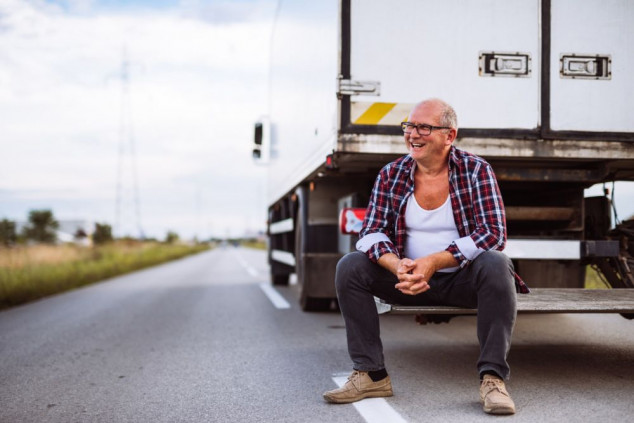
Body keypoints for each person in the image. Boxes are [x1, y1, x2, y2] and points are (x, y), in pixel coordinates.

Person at [322, 98, 529, 415]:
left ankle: (493, 379)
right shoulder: (392, 174)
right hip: (407, 281)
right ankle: (371, 374)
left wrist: (434, 261)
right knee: (350, 266)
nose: (413, 134)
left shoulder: (476, 171)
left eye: (424, 127)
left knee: (496, 262)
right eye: (410, 126)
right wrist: (397, 265)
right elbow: (371, 233)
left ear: (449, 135)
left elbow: (493, 233)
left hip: (461, 281)